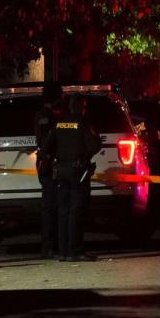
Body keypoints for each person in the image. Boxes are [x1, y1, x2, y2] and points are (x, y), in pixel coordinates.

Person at [43, 95, 102, 262]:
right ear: (82, 107)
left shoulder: (59, 124)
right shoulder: (84, 124)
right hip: (78, 171)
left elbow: (47, 146)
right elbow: (95, 145)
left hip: (61, 170)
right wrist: (84, 157)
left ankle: (62, 251)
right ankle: (75, 251)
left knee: (63, 211)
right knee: (77, 211)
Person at [33, 82, 64, 259]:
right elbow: (46, 141)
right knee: (50, 206)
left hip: (56, 164)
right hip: (49, 164)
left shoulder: (53, 115)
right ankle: (49, 246)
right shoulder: (44, 116)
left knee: (58, 206)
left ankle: (57, 245)